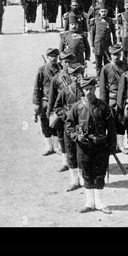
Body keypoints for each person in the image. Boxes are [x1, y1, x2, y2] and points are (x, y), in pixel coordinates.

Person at [66, 77, 116, 214]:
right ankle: (89, 203)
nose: (89, 91)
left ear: (95, 89)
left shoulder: (104, 107)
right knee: (87, 174)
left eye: (91, 89)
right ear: (82, 90)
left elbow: (111, 128)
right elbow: (69, 126)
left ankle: (99, 203)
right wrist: (77, 136)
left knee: (100, 174)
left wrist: (112, 145)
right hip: (84, 147)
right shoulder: (77, 107)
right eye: (86, 89)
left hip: (101, 146)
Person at [54, 63, 85, 191]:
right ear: (70, 76)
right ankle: (74, 180)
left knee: (82, 153)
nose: (77, 77)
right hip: (70, 127)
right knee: (71, 153)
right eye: (74, 75)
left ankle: (83, 179)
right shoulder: (65, 91)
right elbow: (57, 107)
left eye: (79, 74)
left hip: (83, 128)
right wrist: (67, 115)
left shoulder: (86, 90)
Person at [46, 52, 75, 171]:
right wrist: (50, 113)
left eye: (69, 62)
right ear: (61, 63)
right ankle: (65, 162)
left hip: (75, 113)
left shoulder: (76, 76)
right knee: (62, 138)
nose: (67, 64)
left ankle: (75, 162)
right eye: (65, 62)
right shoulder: (56, 78)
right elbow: (52, 98)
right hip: (62, 113)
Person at [99, 44, 128, 154]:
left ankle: (121, 145)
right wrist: (104, 104)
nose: (116, 57)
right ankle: (113, 145)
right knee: (111, 123)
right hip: (111, 99)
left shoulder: (125, 66)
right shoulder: (106, 68)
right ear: (110, 55)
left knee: (122, 122)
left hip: (124, 99)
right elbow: (103, 88)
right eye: (114, 55)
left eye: (118, 54)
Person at [33, 48, 61, 156]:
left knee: (57, 124)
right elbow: (37, 87)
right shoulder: (42, 70)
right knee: (45, 124)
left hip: (57, 101)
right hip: (45, 101)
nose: (53, 59)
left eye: (55, 56)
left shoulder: (61, 68)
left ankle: (56, 146)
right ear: (47, 57)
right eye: (51, 56)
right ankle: (48, 146)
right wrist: (36, 103)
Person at [89, 2, 116, 76]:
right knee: (98, 64)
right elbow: (92, 34)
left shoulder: (110, 21)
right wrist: (92, 46)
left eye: (105, 11)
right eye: (102, 11)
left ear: (107, 12)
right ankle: (99, 78)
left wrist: (114, 44)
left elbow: (114, 34)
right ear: (99, 12)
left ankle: (107, 78)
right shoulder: (95, 21)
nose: (103, 13)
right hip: (98, 44)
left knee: (107, 63)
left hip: (107, 45)